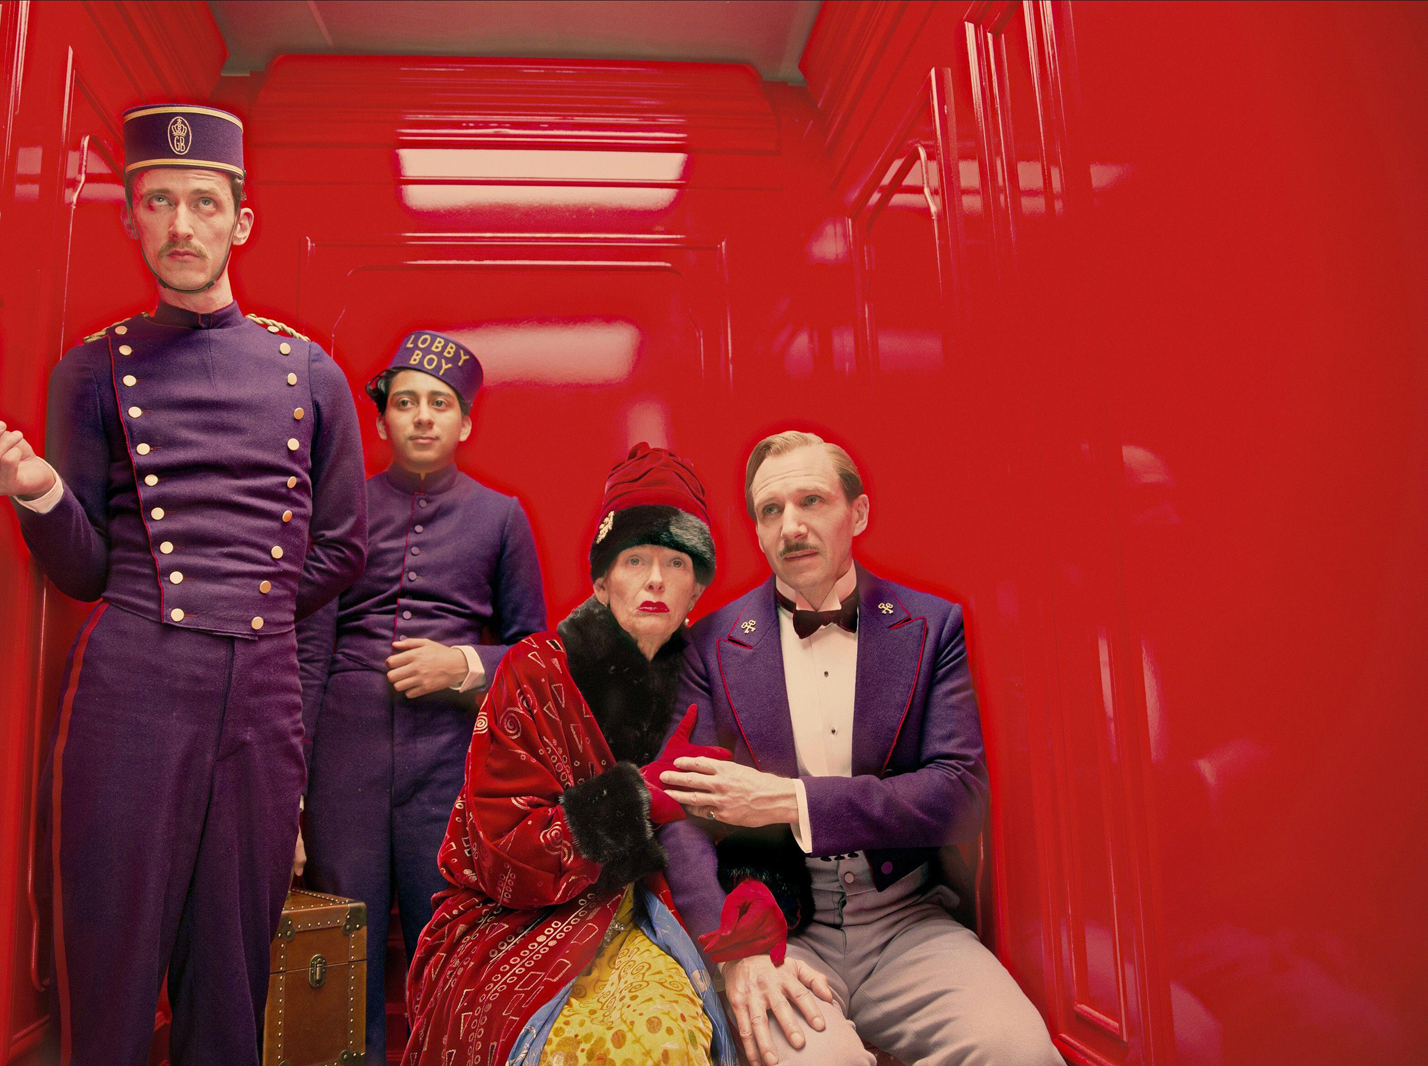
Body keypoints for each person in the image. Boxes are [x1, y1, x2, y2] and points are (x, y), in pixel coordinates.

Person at [0, 103, 369, 1066]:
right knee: (111, 960)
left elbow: (343, 551)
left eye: (203, 202)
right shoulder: (91, 372)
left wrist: (241, 610)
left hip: (263, 697)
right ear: (132, 217)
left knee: (232, 968)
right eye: (158, 201)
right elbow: (87, 570)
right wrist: (37, 490)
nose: (182, 224)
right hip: (130, 682)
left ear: (240, 220)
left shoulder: (315, 375)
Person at [656, 431, 1063, 1066]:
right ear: (758, 532)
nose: (792, 526)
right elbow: (680, 813)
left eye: (812, 501)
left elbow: (959, 795)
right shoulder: (708, 645)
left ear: (858, 513)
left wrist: (791, 801)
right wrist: (733, 952)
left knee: (1021, 1053)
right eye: (771, 511)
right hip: (781, 929)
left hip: (909, 922)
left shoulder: (931, 625)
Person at [405, 443, 769, 1066]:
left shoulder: (717, 676)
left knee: (664, 1034)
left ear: (697, 588)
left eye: (676, 562)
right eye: (634, 559)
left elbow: (744, 823)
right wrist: (634, 803)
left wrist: (756, 897)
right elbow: (502, 854)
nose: (655, 579)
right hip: (513, 922)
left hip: (656, 911)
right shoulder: (535, 671)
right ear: (602, 580)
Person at [295, 330, 547, 1062]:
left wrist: (462, 664)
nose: (424, 417)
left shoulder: (502, 517)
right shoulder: (339, 510)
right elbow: (309, 651)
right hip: (346, 759)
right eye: (406, 403)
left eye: (440, 403)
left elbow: (537, 662)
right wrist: (295, 785)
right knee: (345, 952)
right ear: (381, 422)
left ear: (465, 422)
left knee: (448, 952)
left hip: (452, 767)